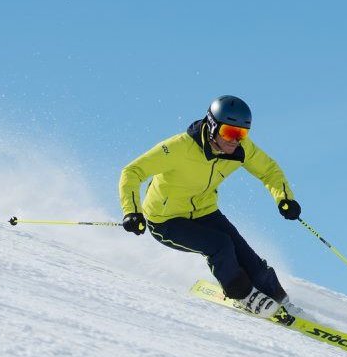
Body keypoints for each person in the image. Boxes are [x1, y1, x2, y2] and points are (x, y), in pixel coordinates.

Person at [118, 95, 303, 315]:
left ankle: (279, 299)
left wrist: (284, 198)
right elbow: (132, 172)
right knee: (220, 245)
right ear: (213, 126)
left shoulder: (242, 150)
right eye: (229, 132)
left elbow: (269, 170)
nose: (235, 140)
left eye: (241, 134)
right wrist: (132, 212)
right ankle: (242, 294)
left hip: (205, 211)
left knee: (246, 254)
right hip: (166, 220)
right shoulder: (178, 148)